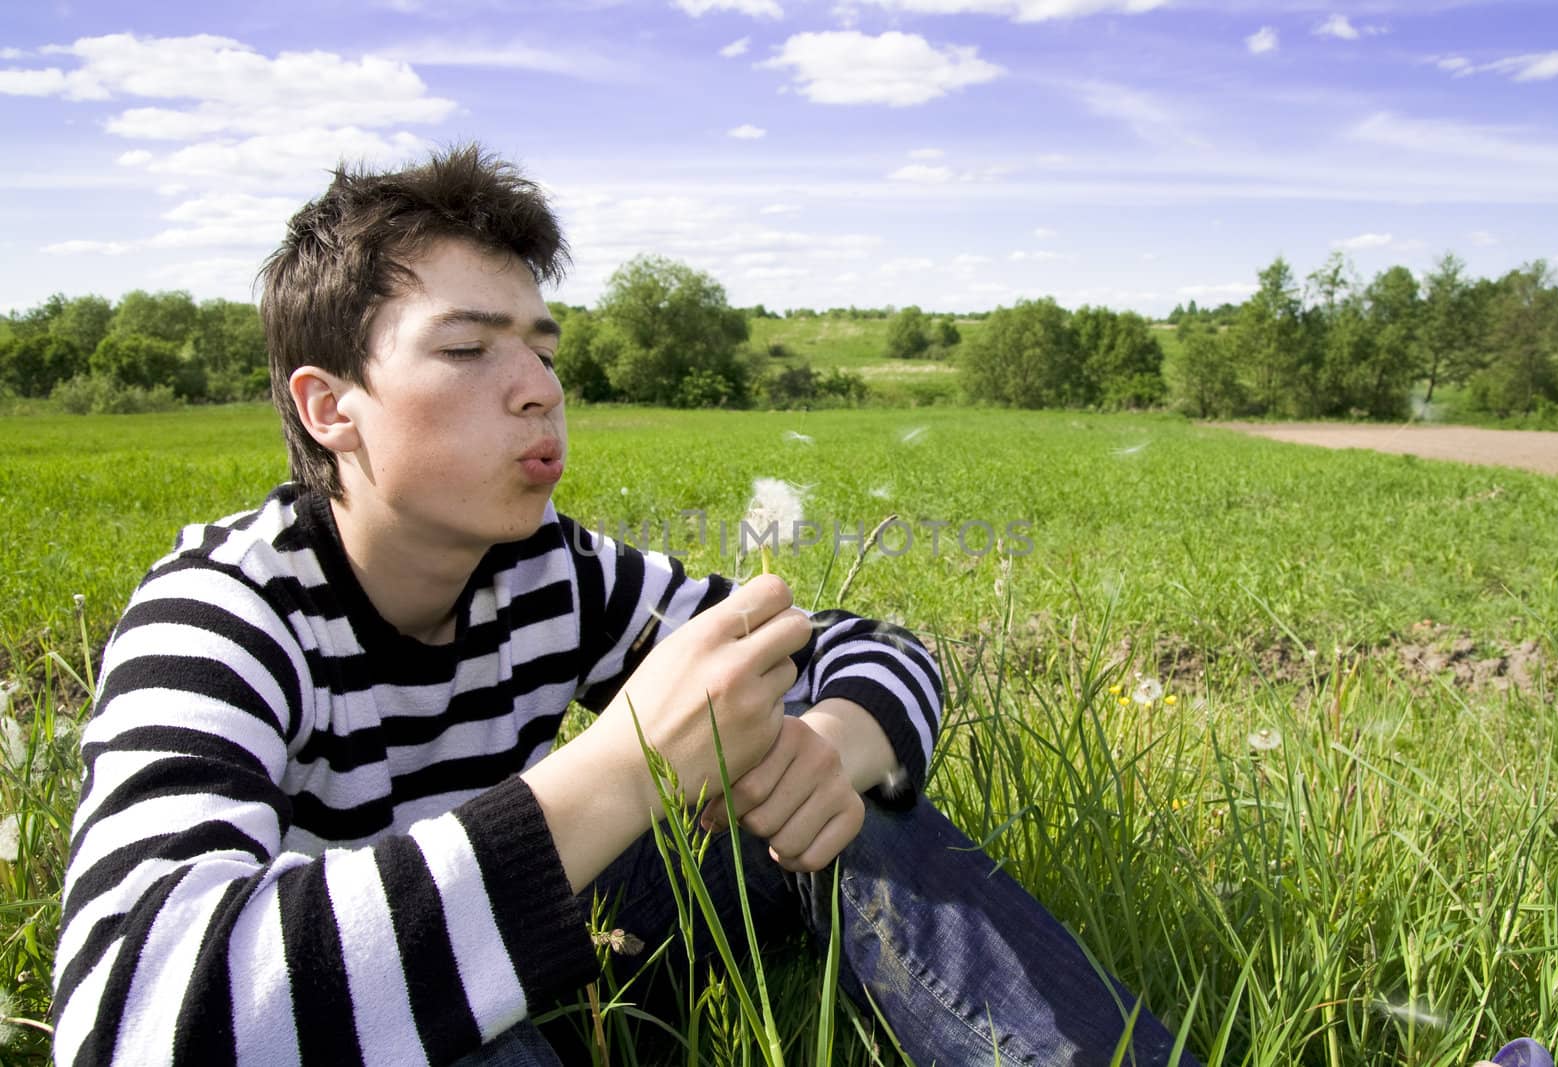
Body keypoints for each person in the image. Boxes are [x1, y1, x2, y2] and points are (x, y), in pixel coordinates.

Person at [51, 144, 1197, 1066]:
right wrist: (628, 761)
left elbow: (870, 647)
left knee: (837, 795)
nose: (538, 387)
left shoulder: (553, 570)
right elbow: (133, 1016)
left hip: (549, 933)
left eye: (542, 349)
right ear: (329, 406)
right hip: (355, 1011)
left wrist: (836, 743)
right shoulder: (221, 616)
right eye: (468, 349)